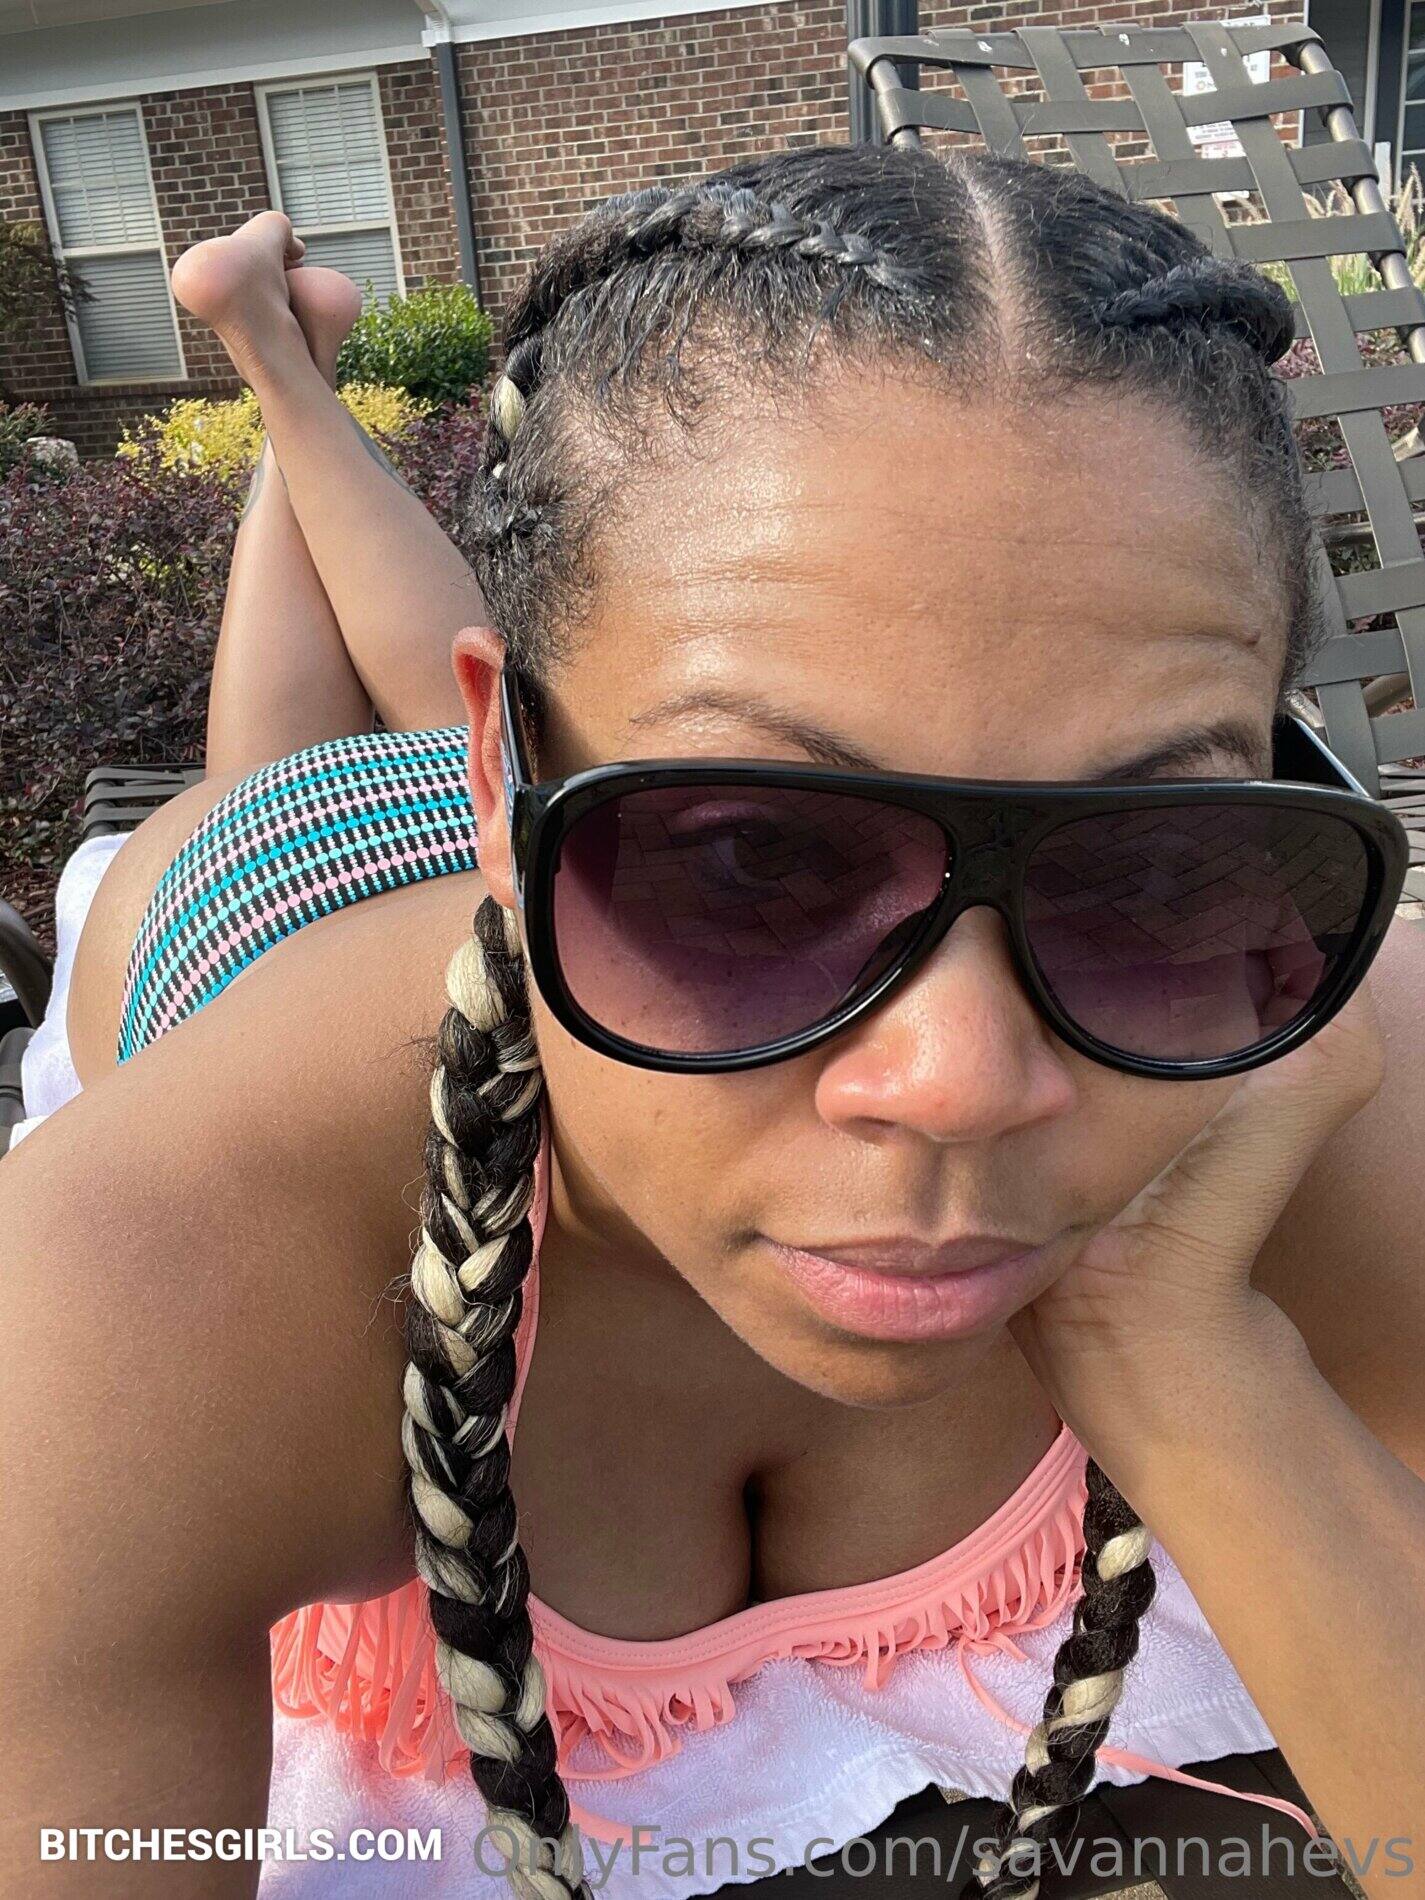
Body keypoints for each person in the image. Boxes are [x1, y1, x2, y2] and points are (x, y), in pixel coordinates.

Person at [3, 141, 1425, 1900]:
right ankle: (288, 391)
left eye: (1142, 849)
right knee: (270, 769)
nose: (962, 1085)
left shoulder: (1325, 1026)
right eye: (746, 853)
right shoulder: (132, 1281)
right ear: (507, 780)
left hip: (537, 809)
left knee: (539, 678)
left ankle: (298, 387)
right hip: (267, 894)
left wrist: (1186, 1345)